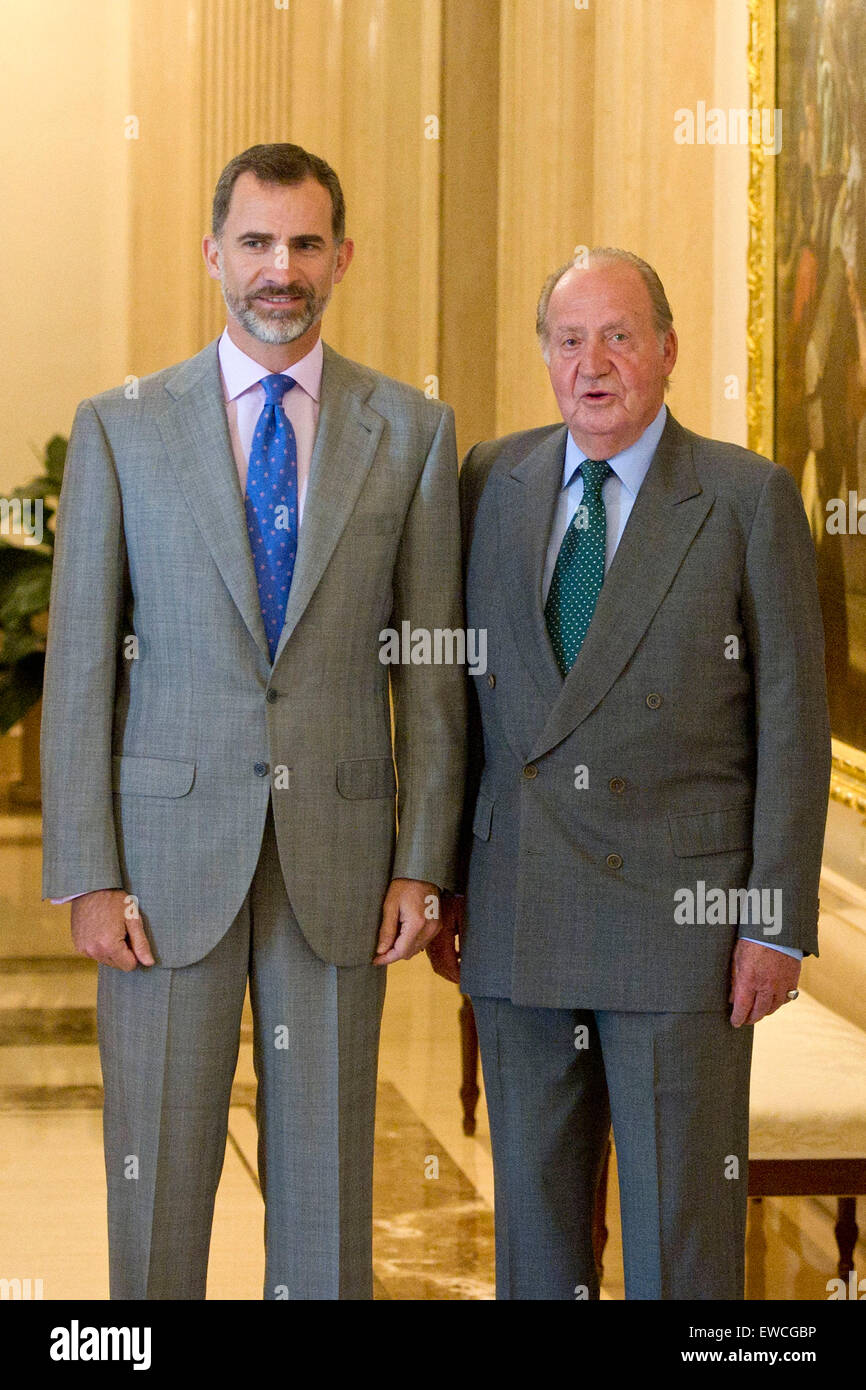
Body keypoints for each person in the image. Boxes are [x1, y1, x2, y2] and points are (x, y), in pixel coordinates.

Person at [41, 142, 466, 1300]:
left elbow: (429, 673)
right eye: (257, 242)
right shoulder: (122, 428)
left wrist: (422, 862)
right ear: (213, 254)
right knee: (160, 1174)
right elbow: (80, 665)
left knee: (327, 1195)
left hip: (342, 862)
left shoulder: (413, 434)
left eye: (305, 243)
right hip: (159, 872)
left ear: (342, 257)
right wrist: (85, 870)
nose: (281, 269)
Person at [432, 248, 830, 1300]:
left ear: (665, 349)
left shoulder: (744, 498)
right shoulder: (490, 481)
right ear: (545, 357)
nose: (591, 363)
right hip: (518, 920)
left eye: (616, 336)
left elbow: (792, 721)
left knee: (679, 1253)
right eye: (568, 340)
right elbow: (459, 705)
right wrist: (441, 880)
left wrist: (773, 919)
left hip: (682, 930)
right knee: (535, 1246)